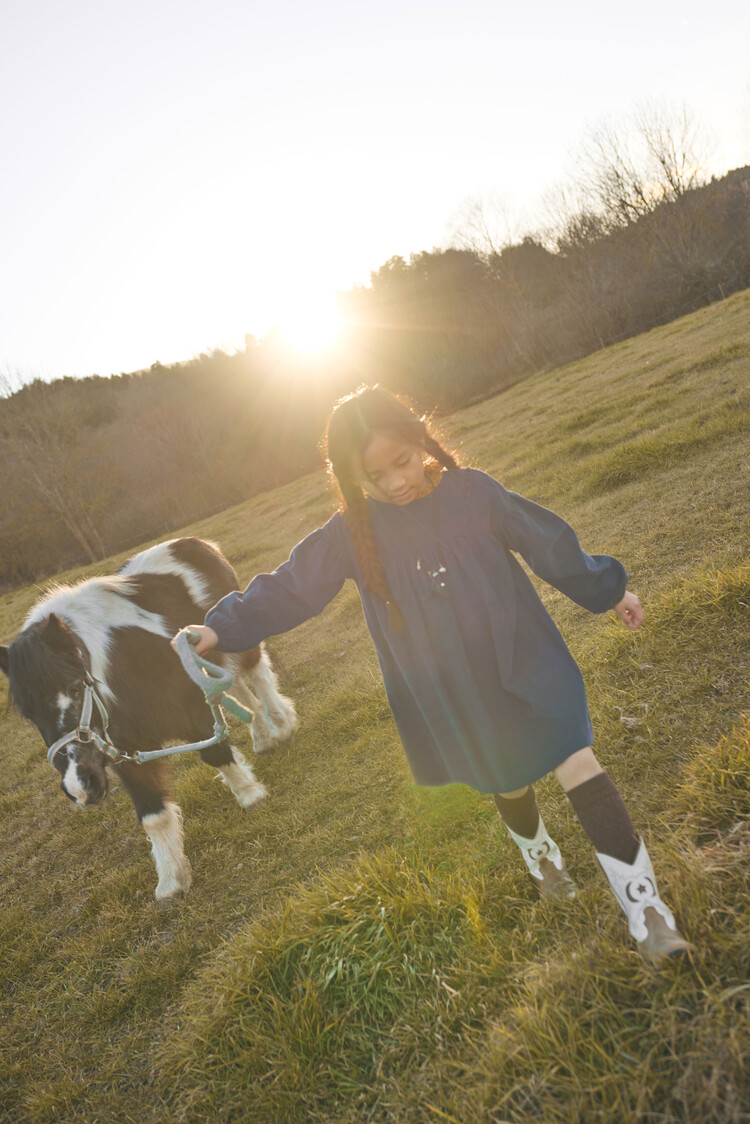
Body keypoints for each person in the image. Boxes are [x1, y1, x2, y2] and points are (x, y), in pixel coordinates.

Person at [177, 385, 690, 963]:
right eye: (375, 475)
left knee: (577, 758)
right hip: (450, 680)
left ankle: (647, 912)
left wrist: (610, 588)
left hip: (523, 652)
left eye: (402, 462)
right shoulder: (351, 531)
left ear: (421, 440)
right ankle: (542, 859)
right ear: (349, 476)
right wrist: (219, 628)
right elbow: (289, 587)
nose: (396, 482)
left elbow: (548, 544)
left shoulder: (473, 492)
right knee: (508, 777)